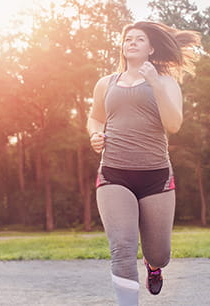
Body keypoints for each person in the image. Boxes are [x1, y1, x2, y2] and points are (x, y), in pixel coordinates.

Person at [86, 21, 201, 306]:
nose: (132, 42)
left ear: (151, 49)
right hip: (113, 174)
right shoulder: (106, 83)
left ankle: (153, 267)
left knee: (159, 253)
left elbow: (173, 125)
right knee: (122, 248)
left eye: (139, 39)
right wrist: (94, 134)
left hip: (156, 177)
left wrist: (154, 83)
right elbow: (95, 117)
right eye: (128, 38)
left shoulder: (166, 82)